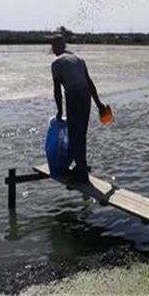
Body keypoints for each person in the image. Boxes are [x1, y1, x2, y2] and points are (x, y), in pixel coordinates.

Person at [51, 34, 107, 185]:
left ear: (56, 47)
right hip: (85, 97)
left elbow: (57, 90)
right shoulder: (78, 59)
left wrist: (59, 111)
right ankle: (80, 168)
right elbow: (89, 83)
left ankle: (82, 175)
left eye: (53, 46)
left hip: (74, 96)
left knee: (75, 135)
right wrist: (99, 104)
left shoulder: (56, 63)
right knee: (80, 134)